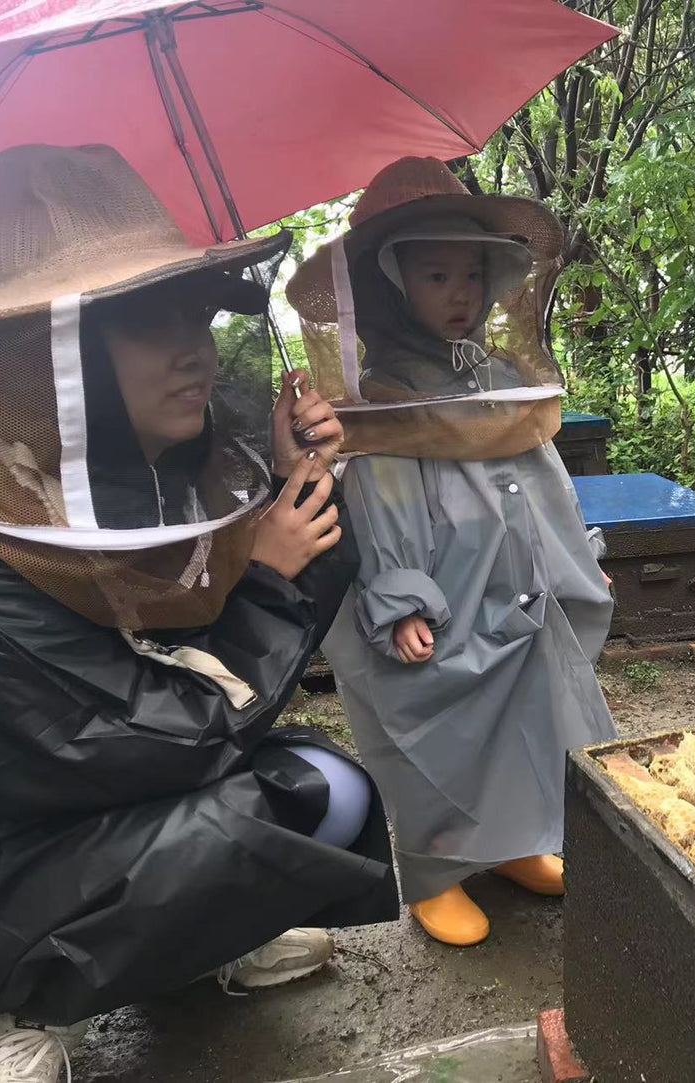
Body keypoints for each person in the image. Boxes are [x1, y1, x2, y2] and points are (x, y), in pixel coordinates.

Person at [0, 144, 398, 1083]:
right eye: (150, 322)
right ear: (45, 351)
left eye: (196, 309)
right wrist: (269, 581)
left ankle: (184, 945)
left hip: (83, 807)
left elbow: (194, 654)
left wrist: (296, 483)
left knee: (322, 790)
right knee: (277, 805)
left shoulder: (129, 478)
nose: (196, 347)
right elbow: (136, 734)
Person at [286, 158, 615, 949]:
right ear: (391, 282)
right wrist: (396, 595)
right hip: (432, 585)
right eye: (436, 274)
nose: (459, 293)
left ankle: (508, 847)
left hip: (513, 581)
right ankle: (436, 872)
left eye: (471, 273)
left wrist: (575, 552)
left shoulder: (497, 374)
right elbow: (376, 496)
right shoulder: (374, 393)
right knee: (432, 723)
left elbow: (541, 472)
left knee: (522, 715)